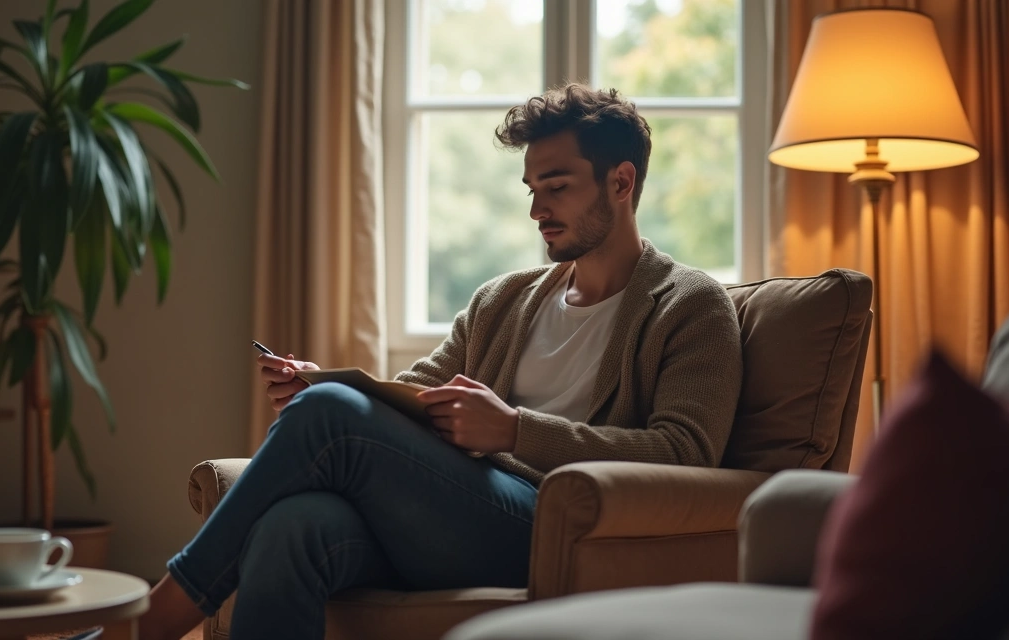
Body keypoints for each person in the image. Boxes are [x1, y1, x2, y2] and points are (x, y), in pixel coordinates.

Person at [137, 83, 744, 640]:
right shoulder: (504, 299)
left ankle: (155, 620)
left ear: (621, 181)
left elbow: (684, 454)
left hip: (553, 530)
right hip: (449, 519)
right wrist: (318, 384)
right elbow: (408, 395)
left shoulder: (690, 305)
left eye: (557, 187)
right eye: (533, 191)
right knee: (291, 526)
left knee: (327, 415)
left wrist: (513, 430)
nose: (538, 211)